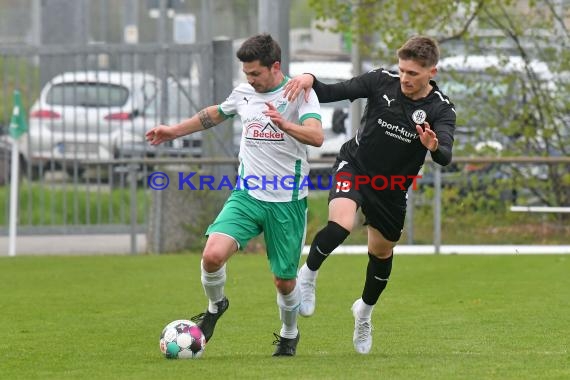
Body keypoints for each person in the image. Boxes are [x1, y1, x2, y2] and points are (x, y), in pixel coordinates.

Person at [146, 33, 323, 357]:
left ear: (275, 67)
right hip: (247, 195)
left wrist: (285, 125)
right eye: (247, 74)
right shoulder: (244, 93)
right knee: (212, 255)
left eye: (256, 73)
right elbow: (215, 113)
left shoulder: (299, 94)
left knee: (284, 282)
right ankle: (216, 306)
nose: (250, 80)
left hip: (287, 200)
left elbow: (316, 135)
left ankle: (289, 332)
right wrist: (173, 130)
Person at [283, 35, 456, 354]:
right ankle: (307, 275)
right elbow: (337, 91)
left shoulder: (440, 108)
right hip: (356, 166)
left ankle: (363, 312)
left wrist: (433, 146)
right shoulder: (381, 81)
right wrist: (311, 79)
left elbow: (445, 153)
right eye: (402, 70)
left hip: (391, 189)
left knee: (381, 252)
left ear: (432, 71)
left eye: (413, 73)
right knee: (342, 223)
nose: (405, 78)